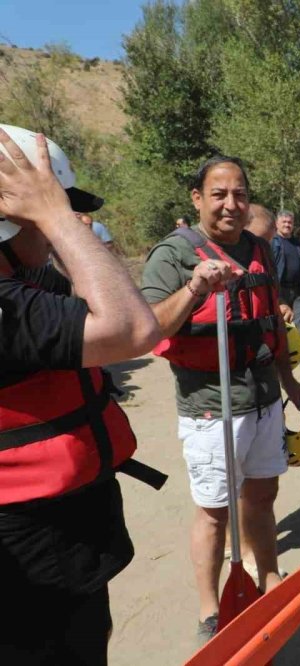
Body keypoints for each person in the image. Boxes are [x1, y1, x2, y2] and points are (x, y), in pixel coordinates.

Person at [0, 125, 163, 664]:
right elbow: (132, 329)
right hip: (28, 542)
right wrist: (54, 215)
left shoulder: (22, 279)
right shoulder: (7, 303)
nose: (56, 233)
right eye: (52, 216)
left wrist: (52, 222)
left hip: (62, 524)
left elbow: (101, 295)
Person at [141, 155, 300, 643]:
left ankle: (270, 578)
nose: (230, 204)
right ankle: (211, 609)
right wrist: (196, 288)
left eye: (239, 193)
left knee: (262, 496)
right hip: (210, 407)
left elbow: (272, 327)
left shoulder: (260, 248)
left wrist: (288, 380)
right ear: (198, 199)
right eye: (219, 194)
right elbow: (149, 326)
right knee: (215, 510)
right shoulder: (171, 255)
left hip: (262, 399)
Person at [271, 209, 300, 367]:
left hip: (298, 290)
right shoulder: (273, 242)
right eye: (284, 222)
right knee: (278, 324)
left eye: (289, 222)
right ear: (277, 223)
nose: (287, 225)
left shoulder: (297, 243)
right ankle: (276, 358)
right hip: (280, 291)